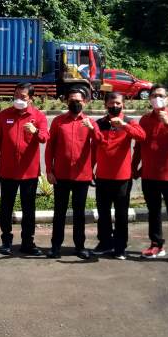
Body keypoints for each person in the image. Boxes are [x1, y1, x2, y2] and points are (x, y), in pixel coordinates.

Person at [132, 84, 168, 267]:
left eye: (160, 95)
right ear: (149, 99)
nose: (157, 98)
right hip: (149, 175)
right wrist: (134, 167)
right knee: (154, 212)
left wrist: (167, 122)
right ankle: (156, 244)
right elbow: (139, 146)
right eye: (154, 95)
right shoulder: (144, 120)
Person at [0, 83, 49, 256]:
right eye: (16, 95)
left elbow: (45, 137)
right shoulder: (4, 115)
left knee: (28, 209)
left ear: (31, 98)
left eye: (23, 97)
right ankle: (6, 241)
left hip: (28, 172)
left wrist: (36, 131)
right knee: (6, 207)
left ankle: (27, 243)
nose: (19, 99)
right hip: (7, 171)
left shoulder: (38, 116)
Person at [44, 89, 98, 259]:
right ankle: (55, 246)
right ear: (66, 102)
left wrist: (93, 130)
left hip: (82, 176)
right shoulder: (58, 121)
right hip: (61, 174)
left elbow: (100, 144)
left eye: (79, 100)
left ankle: (80, 246)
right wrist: (49, 170)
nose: (75, 103)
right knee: (59, 212)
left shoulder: (90, 122)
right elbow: (50, 147)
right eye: (72, 100)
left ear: (85, 102)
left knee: (79, 213)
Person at [92, 92, 145, 259]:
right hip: (102, 176)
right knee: (103, 212)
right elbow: (94, 147)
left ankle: (120, 246)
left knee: (121, 214)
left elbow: (142, 136)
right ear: (105, 105)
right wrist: (90, 168)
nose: (115, 106)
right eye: (111, 103)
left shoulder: (129, 122)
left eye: (118, 103)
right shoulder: (99, 123)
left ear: (123, 105)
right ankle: (105, 243)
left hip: (122, 177)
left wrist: (123, 125)